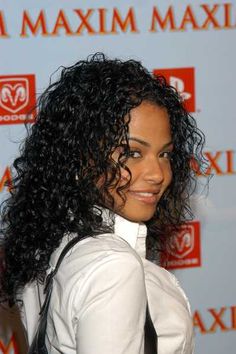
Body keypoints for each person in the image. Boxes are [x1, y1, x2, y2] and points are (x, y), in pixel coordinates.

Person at [0, 53, 206, 354]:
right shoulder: (114, 267)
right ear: (80, 157)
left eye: (164, 154)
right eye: (132, 152)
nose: (157, 174)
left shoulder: (48, 236)